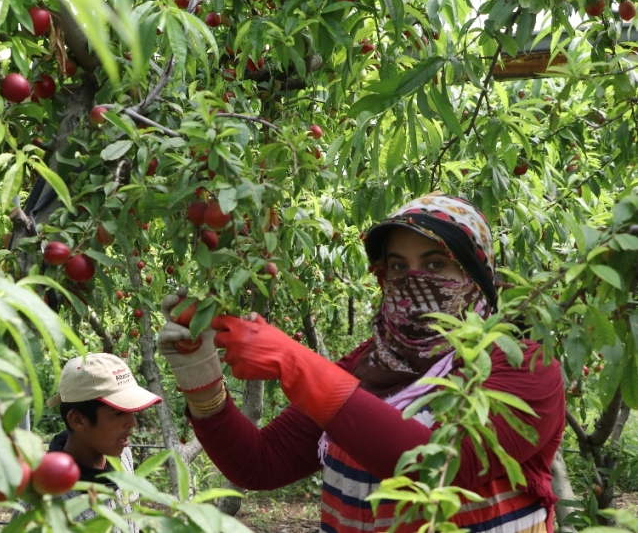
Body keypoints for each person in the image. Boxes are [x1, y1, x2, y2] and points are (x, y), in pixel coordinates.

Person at [157, 193, 565, 533]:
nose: (413, 279)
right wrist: (203, 380)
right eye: (398, 266)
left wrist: (297, 364)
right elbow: (261, 463)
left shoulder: (524, 368)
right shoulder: (367, 367)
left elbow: (444, 466)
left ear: (477, 273)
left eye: (435, 264)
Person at [40, 353, 162, 531]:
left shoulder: (122, 457)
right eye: (118, 413)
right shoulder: (48, 499)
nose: (133, 422)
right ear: (78, 420)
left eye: (132, 411)